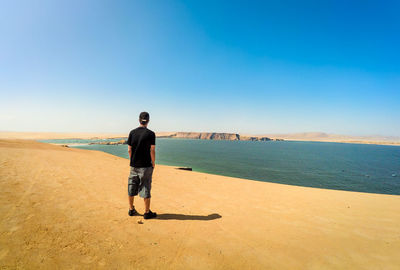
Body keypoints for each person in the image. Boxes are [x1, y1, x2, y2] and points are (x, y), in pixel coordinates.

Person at [127, 112, 157, 219]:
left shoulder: (132, 132)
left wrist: (132, 160)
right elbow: (152, 150)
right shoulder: (151, 134)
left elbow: (129, 150)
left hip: (134, 165)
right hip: (146, 166)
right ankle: (147, 212)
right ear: (148, 121)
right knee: (146, 187)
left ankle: (131, 209)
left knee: (131, 186)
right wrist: (153, 163)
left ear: (139, 120)